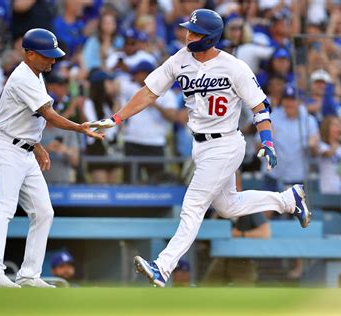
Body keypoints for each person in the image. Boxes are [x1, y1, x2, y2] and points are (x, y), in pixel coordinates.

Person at [88, 9, 311, 287]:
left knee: (192, 206)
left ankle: (162, 266)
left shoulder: (234, 66)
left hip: (226, 143)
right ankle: (289, 200)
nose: (187, 35)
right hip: (201, 146)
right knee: (228, 206)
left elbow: (260, 107)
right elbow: (148, 91)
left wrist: (267, 141)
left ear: (210, 38)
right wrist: (117, 117)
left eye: (195, 32)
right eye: (188, 30)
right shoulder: (180, 59)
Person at [0, 28, 103, 288]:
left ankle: (29, 275)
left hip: (24, 149)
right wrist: (79, 127)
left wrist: (37, 145)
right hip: (5, 149)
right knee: (4, 207)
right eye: (46, 55)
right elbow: (48, 114)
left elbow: (27, 119)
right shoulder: (22, 77)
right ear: (30, 54)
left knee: (44, 211)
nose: (52, 60)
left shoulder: (36, 74)